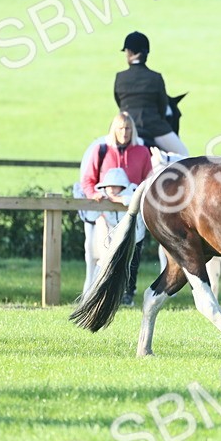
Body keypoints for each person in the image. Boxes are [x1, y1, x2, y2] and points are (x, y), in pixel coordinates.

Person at [78, 112, 153, 303]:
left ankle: (128, 293)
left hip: (132, 210)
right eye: (121, 128)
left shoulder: (142, 152)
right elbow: (88, 179)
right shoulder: (101, 150)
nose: (125, 132)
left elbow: (148, 179)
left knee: (133, 252)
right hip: (105, 212)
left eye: (128, 128)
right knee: (103, 253)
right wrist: (94, 195)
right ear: (114, 129)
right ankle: (98, 292)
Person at [114, 31, 188, 156]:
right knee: (183, 154)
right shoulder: (155, 77)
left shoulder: (120, 77)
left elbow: (119, 102)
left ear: (128, 52)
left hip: (127, 127)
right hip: (154, 128)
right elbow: (162, 107)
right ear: (146, 53)